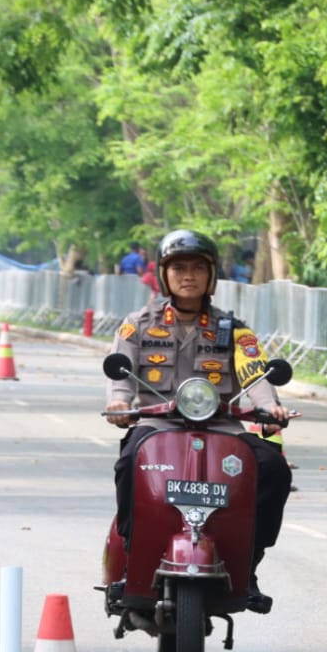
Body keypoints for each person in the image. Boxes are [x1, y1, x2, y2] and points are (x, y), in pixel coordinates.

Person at [104, 229, 293, 609]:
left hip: (223, 426)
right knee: (127, 466)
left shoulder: (234, 330)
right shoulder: (138, 324)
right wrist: (120, 403)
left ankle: (249, 564)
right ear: (164, 275)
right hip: (157, 425)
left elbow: (255, 374)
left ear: (211, 275)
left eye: (197, 268)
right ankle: (131, 557)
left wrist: (269, 407)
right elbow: (121, 377)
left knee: (274, 469)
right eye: (179, 268)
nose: (188, 276)